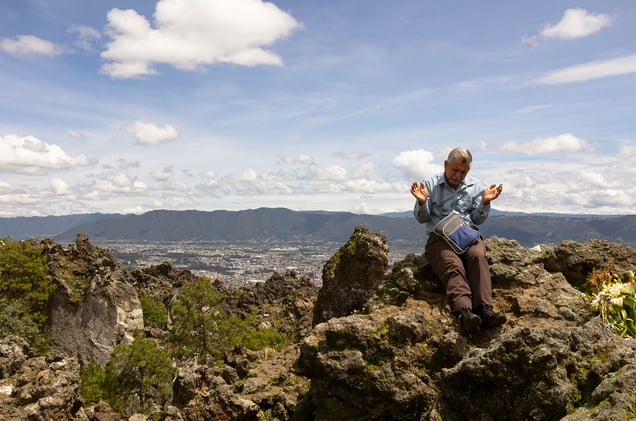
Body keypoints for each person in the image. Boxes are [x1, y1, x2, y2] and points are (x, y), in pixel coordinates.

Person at [410, 147, 506, 334]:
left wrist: (485, 202)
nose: (458, 175)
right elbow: (422, 218)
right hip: (439, 237)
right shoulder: (430, 184)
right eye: (455, 170)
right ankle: (464, 312)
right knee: (453, 266)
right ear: (445, 165)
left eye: (463, 172)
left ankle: (485, 310)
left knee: (478, 257)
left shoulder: (475, 187)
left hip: (466, 233)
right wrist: (422, 202)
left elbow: (477, 219)